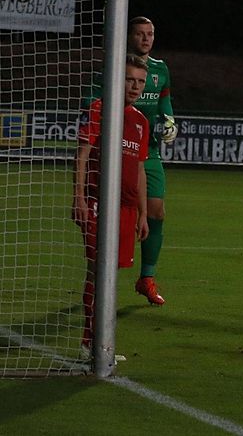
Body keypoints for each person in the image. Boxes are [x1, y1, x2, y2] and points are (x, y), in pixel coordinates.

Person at [74, 55, 151, 353]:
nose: (135, 86)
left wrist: (143, 213)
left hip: (127, 209)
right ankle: (88, 341)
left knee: (111, 274)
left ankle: (101, 342)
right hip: (98, 203)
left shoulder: (141, 121)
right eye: (130, 79)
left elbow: (140, 169)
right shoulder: (98, 109)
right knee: (97, 270)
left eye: (140, 82)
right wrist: (79, 197)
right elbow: (82, 155)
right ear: (117, 79)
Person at [127, 16, 177, 306]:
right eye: (140, 34)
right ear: (129, 36)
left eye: (150, 34)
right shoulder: (116, 65)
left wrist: (169, 121)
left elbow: (164, 103)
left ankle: (146, 278)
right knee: (117, 215)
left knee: (156, 211)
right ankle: (98, 280)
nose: (146, 39)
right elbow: (93, 100)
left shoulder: (160, 69)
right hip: (121, 149)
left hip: (150, 150)